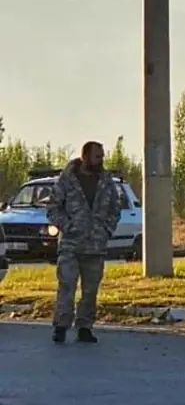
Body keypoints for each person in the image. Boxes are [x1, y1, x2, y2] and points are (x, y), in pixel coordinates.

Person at [46, 141, 122, 344]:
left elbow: (115, 208)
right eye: (97, 156)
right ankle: (61, 326)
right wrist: (68, 225)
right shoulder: (68, 180)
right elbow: (52, 208)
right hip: (70, 245)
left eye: (102, 156)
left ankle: (85, 327)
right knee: (67, 286)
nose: (101, 160)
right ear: (85, 157)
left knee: (90, 291)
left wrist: (106, 230)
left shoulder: (106, 181)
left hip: (96, 246)